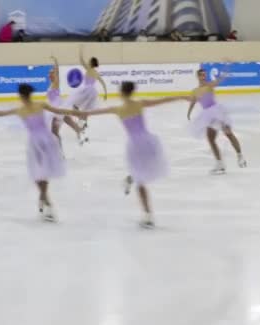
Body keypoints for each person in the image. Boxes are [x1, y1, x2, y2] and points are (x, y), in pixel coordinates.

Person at [80, 81, 191, 227]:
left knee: (141, 178)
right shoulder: (139, 104)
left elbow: (90, 113)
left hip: (136, 146)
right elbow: (163, 100)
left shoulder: (117, 109)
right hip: (148, 142)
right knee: (142, 174)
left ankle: (147, 214)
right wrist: (182, 96)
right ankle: (143, 207)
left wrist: (69, 112)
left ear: (121, 92)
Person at [0, 84, 79, 222]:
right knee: (41, 173)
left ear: (20, 95)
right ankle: (44, 199)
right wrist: (76, 113)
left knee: (40, 173)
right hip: (47, 140)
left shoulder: (20, 110)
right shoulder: (40, 105)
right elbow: (59, 110)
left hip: (37, 143)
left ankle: (46, 201)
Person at [187, 67, 247, 175]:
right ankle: (220, 164)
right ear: (198, 76)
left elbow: (220, 79)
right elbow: (193, 102)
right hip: (208, 116)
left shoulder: (209, 86)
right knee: (211, 139)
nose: (204, 76)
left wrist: (227, 69)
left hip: (217, 112)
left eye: (205, 74)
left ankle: (240, 156)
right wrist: (189, 112)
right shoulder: (195, 91)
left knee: (228, 134)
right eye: (202, 75)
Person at [67, 45, 108, 135]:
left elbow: (81, 60)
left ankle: (81, 122)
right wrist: (105, 94)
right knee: (85, 109)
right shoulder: (96, 72)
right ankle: (83, 123)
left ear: (91, 63)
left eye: (89, 61)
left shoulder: (89, 69)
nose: (88, 62)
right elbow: (103, 83)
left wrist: (80, 51)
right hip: (92, 92)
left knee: (75, 105)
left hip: (86, 90)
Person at [47, 56, 86, 149]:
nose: (49, 75)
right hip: (60, 110)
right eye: (49, 73)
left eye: (51, 73)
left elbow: (57, 72)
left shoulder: (55, 83)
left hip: (58, 112)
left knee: (54, 133)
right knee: (68, 124)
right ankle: (80, 132)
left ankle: (60, 153)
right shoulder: (52, 84)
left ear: (54, 75)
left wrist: (55, 61)